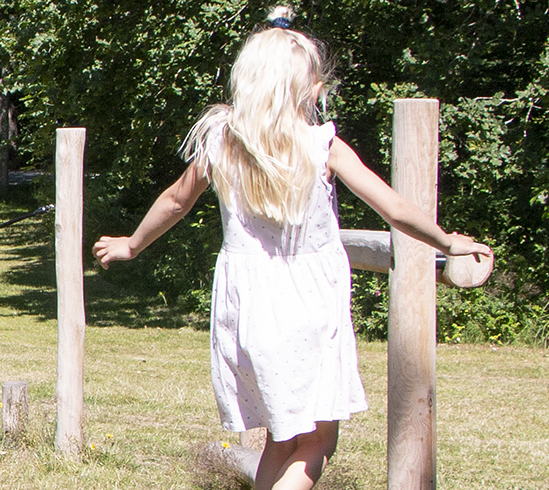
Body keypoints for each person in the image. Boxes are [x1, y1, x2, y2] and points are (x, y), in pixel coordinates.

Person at [90, 6, 492, 490]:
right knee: (320, 441)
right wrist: (448, 240)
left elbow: (176, 201)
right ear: (305, 91)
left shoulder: (221, 143)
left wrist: (131, 245)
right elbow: (394, 208)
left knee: (282, 438)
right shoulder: (321, 145)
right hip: (307, 303)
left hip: (247, 307)